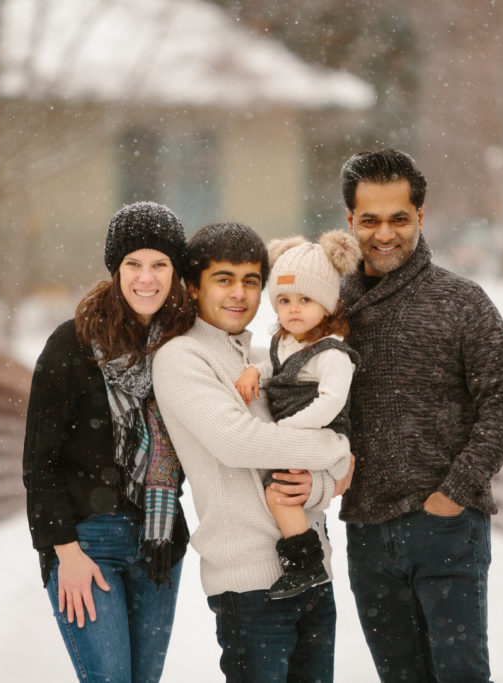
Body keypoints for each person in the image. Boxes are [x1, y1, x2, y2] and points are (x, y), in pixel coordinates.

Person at [338, 149, 503, 682]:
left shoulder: (461, 301)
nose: (384, 234)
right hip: (367, 532)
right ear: (349, 220)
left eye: (399, 219)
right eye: (370, 220)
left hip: (446, 529)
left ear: (421, 217)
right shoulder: (330, 308)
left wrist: (455, 492)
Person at [152, 221, 355, 682]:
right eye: (223, 279)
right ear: (192, 286)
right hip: (250, 589)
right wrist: (334, 449)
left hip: (313, 574)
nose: (238, 293)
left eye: (250, 281)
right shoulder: (182, 358)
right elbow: (237, 443)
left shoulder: (273, 357)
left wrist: (324, 478)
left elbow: (328, 467)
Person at [22, 201, 194, 683]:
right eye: (133, 264)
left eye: (160, 264)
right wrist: (65, 553)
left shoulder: (183, 346)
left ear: (176, 272)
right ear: (115, 271)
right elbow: (40, 465)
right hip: (86, 545)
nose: (147, 278)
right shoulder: (72, 345)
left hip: (158, 542)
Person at [233, 230, 361, 600]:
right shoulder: (283, 341)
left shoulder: (332, 353)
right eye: (284, 300)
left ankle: (304, 561)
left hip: (322, 431)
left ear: (328, 305)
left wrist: (286, 430)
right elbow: (276, 366)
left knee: (279, 494)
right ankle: (305, 557)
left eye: (305, 299)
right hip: (295, 434)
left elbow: (330, 403)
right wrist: (256, 370)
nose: (293, 309)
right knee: (280, 491)